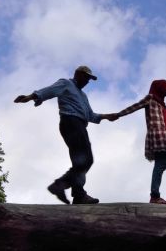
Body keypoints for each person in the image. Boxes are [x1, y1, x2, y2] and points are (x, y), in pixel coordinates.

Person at [14, 66, 117, 204]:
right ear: (77, 74)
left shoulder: (83, 96)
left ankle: (77, 194)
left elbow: (90, 115)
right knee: (85, 160)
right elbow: (49, 90)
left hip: (79, 125)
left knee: (82, 161)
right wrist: (31, 96)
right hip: (71, 122)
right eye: (85, 77)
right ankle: (62, 187)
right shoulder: (66, 83)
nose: (87, 81)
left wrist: (106, 116)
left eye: (89, 79)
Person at [109, 80, 166, 205]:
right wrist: (118, 114)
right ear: (160, 89)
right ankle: (155, 196)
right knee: (160, 165)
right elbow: (135, 106)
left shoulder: (163, 106)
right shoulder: (150, 99)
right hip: (159, 139)